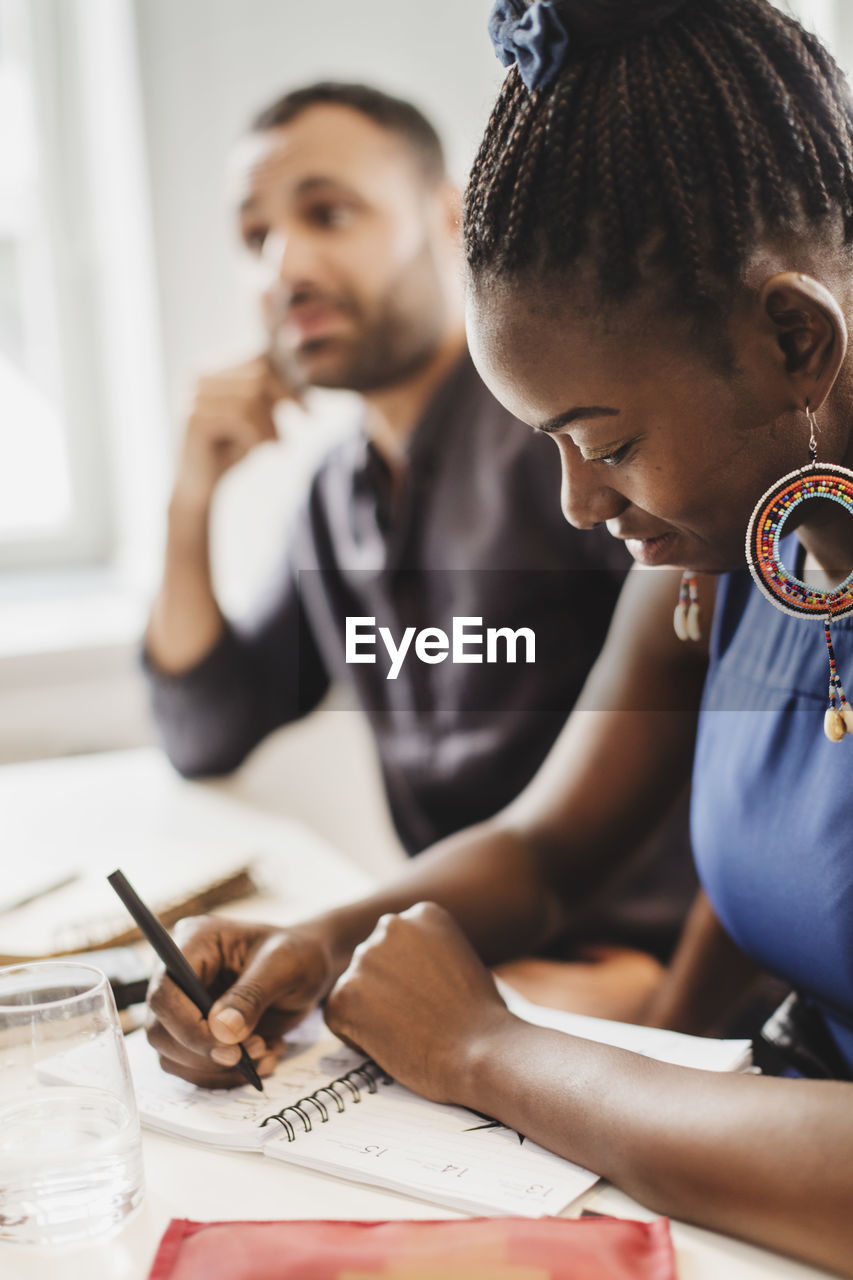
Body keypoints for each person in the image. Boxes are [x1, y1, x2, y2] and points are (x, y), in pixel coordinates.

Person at [146, 2, 853, 1271]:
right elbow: (543, 847)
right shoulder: (736, 547)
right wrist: (325, 933)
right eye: (551, 448)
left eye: (608, 442)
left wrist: (490, 1049)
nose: (580, 504)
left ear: (794, 340)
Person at [143, 79, 697, 1008]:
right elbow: (204, 731)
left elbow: (740, 703)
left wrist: (668, 989)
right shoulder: (335, 493)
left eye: (329, 213)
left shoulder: (576, 453)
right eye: (256, 238)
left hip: (629, 973)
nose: (286, 266)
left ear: (448, 217)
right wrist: (188, 499)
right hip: (468, 955)